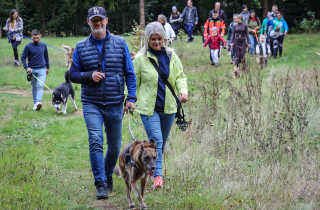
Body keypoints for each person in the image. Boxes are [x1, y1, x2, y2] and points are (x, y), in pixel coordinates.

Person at [69, 7, 137, 200]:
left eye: (100, 20)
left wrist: (131, 98)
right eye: (94, 20)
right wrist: (89, 75)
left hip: (115, 103)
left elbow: (130, 74)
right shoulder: (81, 47)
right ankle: (100, 182)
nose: (97, 23)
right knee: (96, 140)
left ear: (106, 20)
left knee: (115, 147)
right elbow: (73, 75)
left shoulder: (120, 43)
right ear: (88, 22)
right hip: (92, 103)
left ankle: (107, 172)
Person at [132, 21, 188, 188]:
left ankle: (148, 169)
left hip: (169, 108)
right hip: (149, 109)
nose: (156, 42)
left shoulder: (172, 56)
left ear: (164, 38)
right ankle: (158, 177)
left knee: (160, 144)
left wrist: (183, 91)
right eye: (153, 39)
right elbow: (132, 82)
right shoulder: (140, 59)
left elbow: (180, 77)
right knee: (157, 140)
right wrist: (129, 100)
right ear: (147, 40)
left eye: (159, 39)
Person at [21, 29, 49, 111]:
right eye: (34, 38)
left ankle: (38, 103)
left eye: (37, 38)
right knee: (34, 87)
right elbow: (22, 57)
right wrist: (26, 68)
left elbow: (46, 57)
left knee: (40, 85)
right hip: (32, 70)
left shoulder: (44, 45)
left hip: (42, 69)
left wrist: (48, 67)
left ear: (40, 36)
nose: (36, 39)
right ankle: (35, 103)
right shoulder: (28, 46)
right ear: (31, 37)